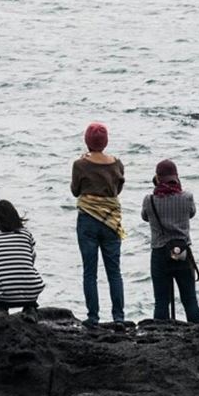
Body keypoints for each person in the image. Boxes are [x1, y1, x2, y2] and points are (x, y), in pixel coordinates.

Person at [71, 122, 126, 329]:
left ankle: (93, 317)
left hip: (87, 219)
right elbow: (117, 190)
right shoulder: (117, 163)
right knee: (114, 272)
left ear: (87, 141)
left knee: (90, 272)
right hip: (111, 219)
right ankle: (118, 317)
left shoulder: (80, 164)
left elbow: (75, 191)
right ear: (106, 141)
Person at [141, 159, 199, 324]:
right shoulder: (187, 198)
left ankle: (160, 336)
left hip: (160, 252)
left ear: (158, 178)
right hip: (182, 252)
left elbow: (144, 217)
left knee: (161, 301)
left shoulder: (149, 200)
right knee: (190, 299)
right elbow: (192, 213)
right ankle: (198, 335)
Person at [0, 200, 45, 322]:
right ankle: (30, 308)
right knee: (27, 260)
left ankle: (0, 308)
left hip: (2, 296)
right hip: (32, 293)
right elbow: (28, 259)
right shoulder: (26, 234)